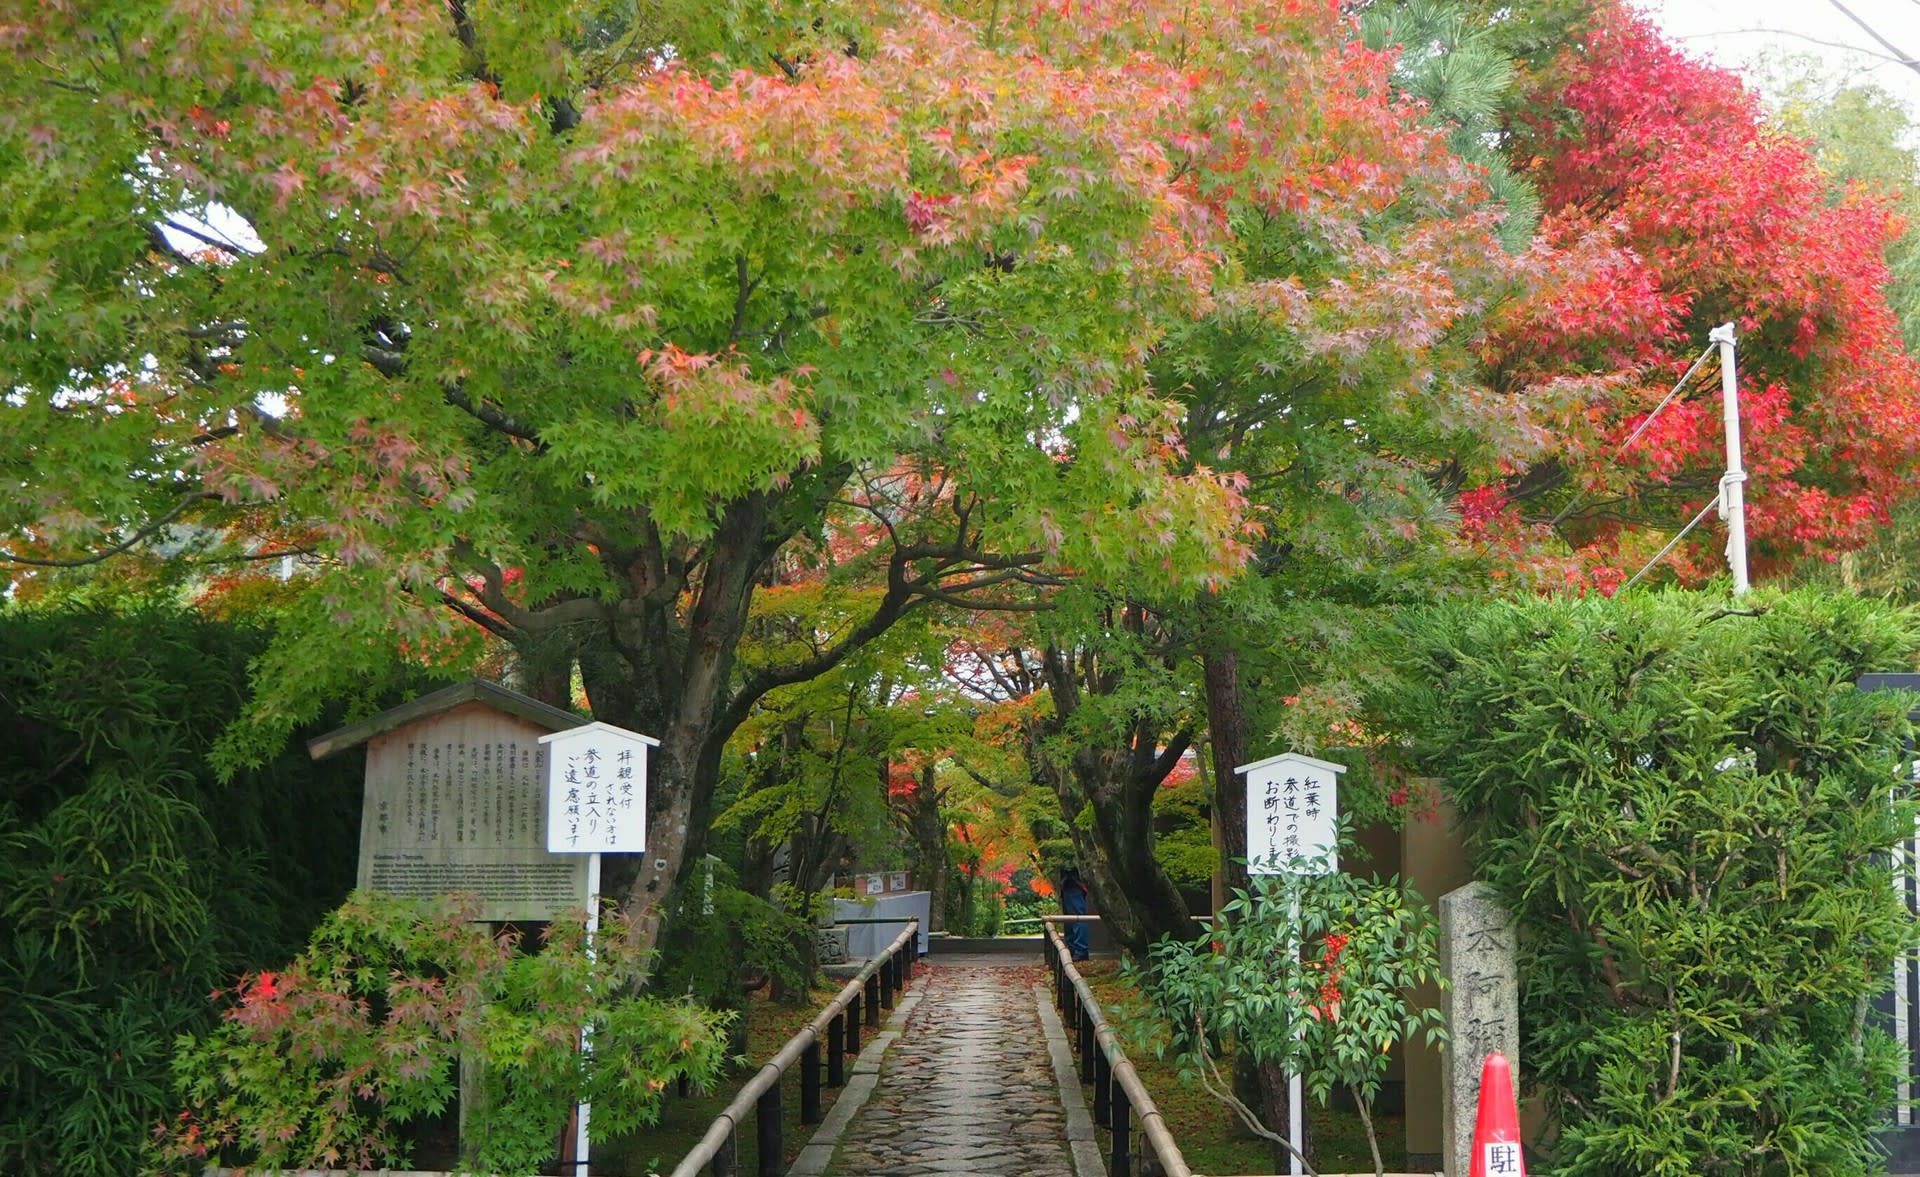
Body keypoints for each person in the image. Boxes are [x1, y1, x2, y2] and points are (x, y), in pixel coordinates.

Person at [1060, 865, 1091, 961]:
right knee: (1071, 919)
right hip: (1069, 881)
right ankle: (1074, 949)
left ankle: (1080, 950)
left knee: (1078, 918)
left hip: (1073, 881)